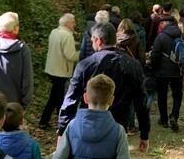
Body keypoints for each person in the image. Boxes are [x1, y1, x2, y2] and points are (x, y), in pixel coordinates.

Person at [58, 22, 150, 152]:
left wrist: (62, 131)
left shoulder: (85, 65)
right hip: (117, 128)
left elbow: (70, 100)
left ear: (98, 41)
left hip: (87, 126)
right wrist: (144, 133)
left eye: (92, 41)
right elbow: (141, 102)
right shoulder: (133, 65)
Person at [39, 13, 79, 129]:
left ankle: (50, 121)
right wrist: (83, 53)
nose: (74, 24)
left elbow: (59, 47)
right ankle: (60, 122)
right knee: (58, 97)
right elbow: (70, 55)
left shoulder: (54, 32)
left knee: (56, 96)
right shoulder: (67, 36)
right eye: (73, 22)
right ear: (67, 23)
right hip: (61, 71)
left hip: (52, 69)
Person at [150, 13, 183, 131]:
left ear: (164, 24)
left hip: (162, 72)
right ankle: (174, 115)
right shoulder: (180, 35)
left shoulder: (161, 37)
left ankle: (163, 119)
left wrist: (154, 67)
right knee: (177, 95)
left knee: (162, 95)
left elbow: (155, 55)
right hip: (177, 71)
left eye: (161, 23)